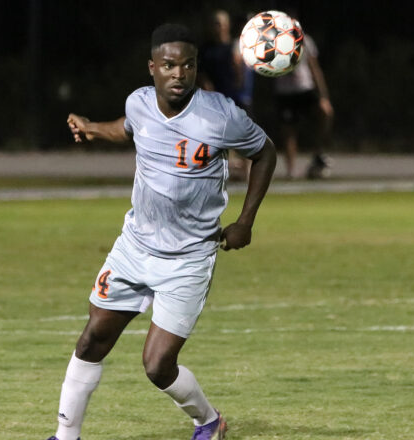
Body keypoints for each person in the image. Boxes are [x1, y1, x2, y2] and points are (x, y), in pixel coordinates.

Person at [48, 23, 276, 440]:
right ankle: (65, 436)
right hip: (134, 247)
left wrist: (245, 221)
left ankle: (209, 420)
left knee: (157, 366)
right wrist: (94, 128)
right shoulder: (139, 103)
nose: (178, 73)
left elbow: (264, 152)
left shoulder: (220, 115)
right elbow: (129, 127)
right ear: (153, 67)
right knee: (92, 338)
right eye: (169, 65)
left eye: (187, 65)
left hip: (188, 259)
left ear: (194, 69)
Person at [197, 9, 256, 181]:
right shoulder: (206, 49)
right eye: (215, 24)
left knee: (244, 134)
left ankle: (246, 172)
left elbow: (240, 71)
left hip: (235, 98)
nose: (218, 28)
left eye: (221, 24)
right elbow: (201, 73)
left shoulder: (234, 46)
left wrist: (239, 86)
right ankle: (221, 169)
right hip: (214, 99)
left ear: (227, 26)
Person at [273, 28, 334, 180]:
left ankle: (318, 153)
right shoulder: (273, 41)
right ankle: (291, 172)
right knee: (289, 130)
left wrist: (323, 95)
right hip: (286, 91)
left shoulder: (305, 39)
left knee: (325, 112)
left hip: (305, 88)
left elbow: (314, 67)